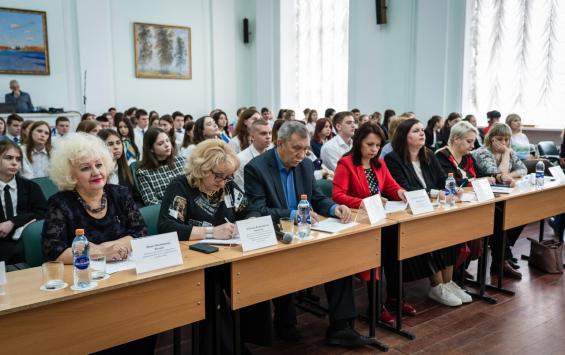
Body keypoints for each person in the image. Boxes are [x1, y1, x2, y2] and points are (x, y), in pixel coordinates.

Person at [245, 121, 374, 347]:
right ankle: (284, 322)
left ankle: (341, 327)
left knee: (340, 259)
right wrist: (292, 213)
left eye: (305, 149)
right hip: (279, 238)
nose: (302, 154)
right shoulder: (256, 168)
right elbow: (257, 210)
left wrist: (334, 208)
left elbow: (316, 197)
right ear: (280, 143)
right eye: (296, 148)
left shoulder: (304, 165)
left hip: (308, 233)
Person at [41, 133, 156, 354]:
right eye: (85, 168)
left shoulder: (119, 193)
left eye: (99, 165)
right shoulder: (60, 203)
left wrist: (115, 248)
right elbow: (54, 251)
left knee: (147, 318)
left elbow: (140, 232)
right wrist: (104, 252)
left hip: (125, 279)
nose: (96, 173)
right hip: (84, 286)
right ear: (71, 175)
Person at [158, 139, 271, 353]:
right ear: (201, 169)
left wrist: (243, 225)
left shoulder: (227, 186)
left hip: (227, 254)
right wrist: (212, 232)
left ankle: (244, 339)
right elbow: (167, 227)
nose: (223, 182)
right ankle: (225, 348)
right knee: (212, 292)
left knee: (256, 279)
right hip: (196, 262)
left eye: (227, 176)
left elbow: (250, 209)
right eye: (218, 176)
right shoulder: (181, 186)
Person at [385, 118, 471, 307]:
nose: (422, 133)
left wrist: (453, 188)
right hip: (411, 212)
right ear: (404, 136)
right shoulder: (393, 159)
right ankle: (436, 286)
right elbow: (406, 188)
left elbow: (443, 179)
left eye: (422, 130)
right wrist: (437, 193)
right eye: (416, 131)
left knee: (452, 233)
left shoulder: (429, 155)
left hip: (435, 207)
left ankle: (448, 283)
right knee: (433, 236)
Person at [332, 123, 406, 325]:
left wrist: (400, 192)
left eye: (378, 145)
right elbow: (337, 195)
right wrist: (363, 203)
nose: (374, 149)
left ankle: (394, 298)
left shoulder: (379, 163)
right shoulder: (346, 163)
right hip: (359, 223)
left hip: (380, 219)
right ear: (359, 143)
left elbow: (391, 186)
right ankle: (376, 305)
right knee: (379, 252)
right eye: (370, 144)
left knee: (398, 247)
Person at [472, 123, 527, 279]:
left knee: (524, 212)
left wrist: (510, 174)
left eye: (506, 139)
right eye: (500, 139)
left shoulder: (508, 150)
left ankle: (504, 252)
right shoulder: (482, 153)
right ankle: (501, 261)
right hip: (485, 198)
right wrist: (506, 156)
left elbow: (523, 169)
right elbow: (499, 174)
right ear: (491, 138)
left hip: (504, 194)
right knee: (500, 216)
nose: (503, 143)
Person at [0, 140, 47, 264]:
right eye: (8, 158)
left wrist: (13, 222)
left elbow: (42, 212)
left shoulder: (30, 186)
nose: (14, 162)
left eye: (18, 159)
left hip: (22, 238)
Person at [137, 128, 184, 206]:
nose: (167, 145)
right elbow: (151, 202)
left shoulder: (182, 161)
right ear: (151, 149)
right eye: (160, 143)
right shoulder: (143, 173)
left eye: (167, 140)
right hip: (167, 213)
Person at [98, 129, 143, 206]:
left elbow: (135, 198)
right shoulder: (97, 172)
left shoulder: (126, 170)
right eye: (110, 144)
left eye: (118, 143)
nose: (116, 147)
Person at [234, 119, 272, 190]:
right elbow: (240, 188)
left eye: (270, 133)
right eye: (263, 133)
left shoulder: (272, 155)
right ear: (252, 137)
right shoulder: (241, 159)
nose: (268, 137)